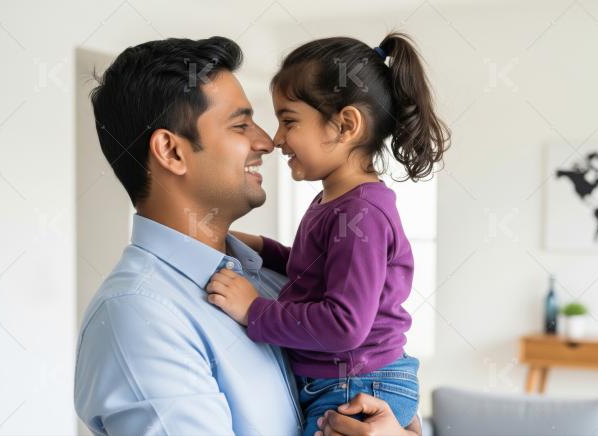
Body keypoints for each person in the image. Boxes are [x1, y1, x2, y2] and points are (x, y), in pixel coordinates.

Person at [74, 35, 420, 435]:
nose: (267, 141)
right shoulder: (137, 318)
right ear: (171, 152)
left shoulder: (275, 283)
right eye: (241, 125)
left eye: (284, 121)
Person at [203, 33, 450, 436]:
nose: (276, 139)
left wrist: (254, 310)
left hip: (357, 386)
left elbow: (344, 324)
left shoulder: (361, 214)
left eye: (289, 121)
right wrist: (265, 249)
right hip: (349, 380)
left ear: (346, 125)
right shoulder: (338, 202)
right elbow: (317, 270)